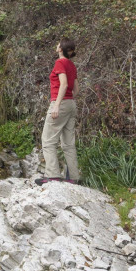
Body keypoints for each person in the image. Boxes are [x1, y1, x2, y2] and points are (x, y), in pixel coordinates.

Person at [37, 38, 81, 184]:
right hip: (71, 104)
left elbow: (63, 84)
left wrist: (57, 105)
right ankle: (73, 177)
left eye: (58, 44)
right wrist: (68, 100)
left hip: (60, 103)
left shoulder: (60, 63)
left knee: (48, 141)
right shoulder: (72, 65)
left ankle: (53, 175)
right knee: (68, 144)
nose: (56, 45)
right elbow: (76, 90)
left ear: (61, 49)